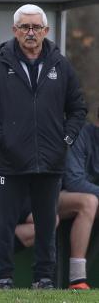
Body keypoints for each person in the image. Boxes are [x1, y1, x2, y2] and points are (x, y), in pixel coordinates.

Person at [0, 3, 86, 290]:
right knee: (5, 223)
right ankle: (5, 277)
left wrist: (66, 141)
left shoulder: (61, 65)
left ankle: (44, 278)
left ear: (46, 31)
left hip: (50, 161)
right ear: (15, 31)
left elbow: (78, 109)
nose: (31, 32)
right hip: (9, 163)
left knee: (47, 224)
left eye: (36, 27)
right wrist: (1, 138)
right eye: (25, 27)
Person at [59, 114, 99, 289]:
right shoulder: (80, 134)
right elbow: (73, 181)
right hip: (50, 196)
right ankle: (77, 279)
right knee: (89, 202)